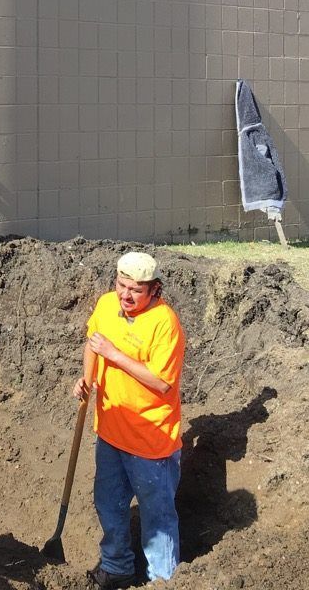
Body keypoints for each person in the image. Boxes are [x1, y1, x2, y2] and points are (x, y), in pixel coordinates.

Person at [72, 252, 186, 588]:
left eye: (136, 289)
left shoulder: (164, 323)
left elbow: (162, 383)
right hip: (110, 431)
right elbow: (94, 342)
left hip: (150, 441)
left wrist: (115, 356)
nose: (126, 295)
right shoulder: (107, 305)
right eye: (122, 285)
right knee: (108, 502)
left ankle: (163, 580)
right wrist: (87, 379)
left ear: (154, 290)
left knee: (157, 517)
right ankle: (117, 567)